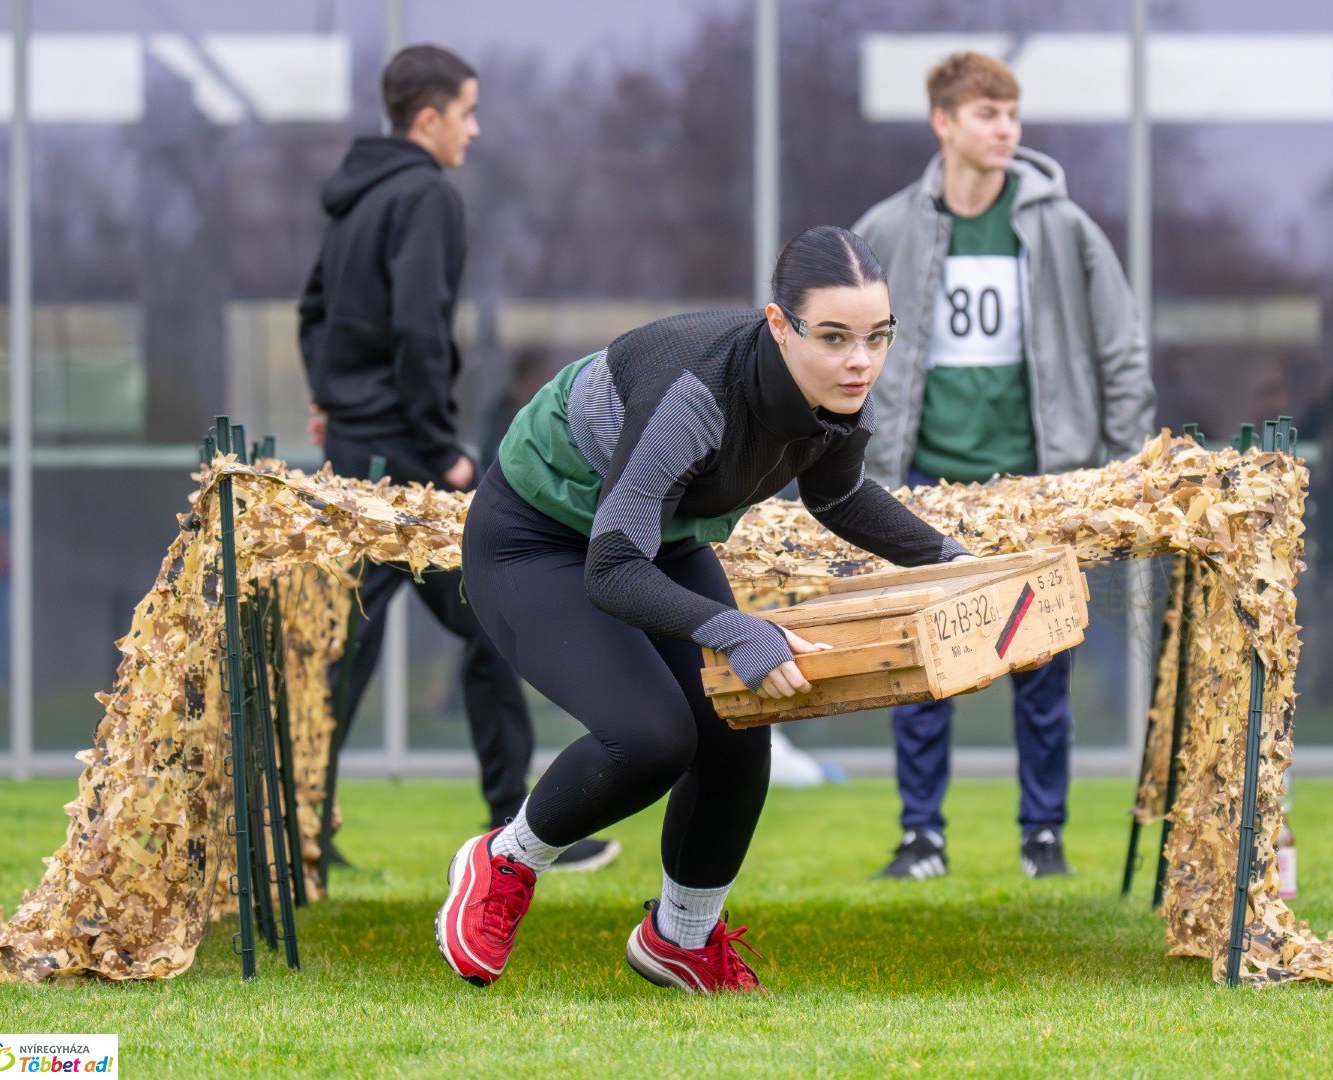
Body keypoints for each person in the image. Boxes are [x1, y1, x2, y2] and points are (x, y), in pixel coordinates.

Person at [435, 226, 972, 994]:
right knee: (651, 737)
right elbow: (613, 569)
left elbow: (840, 493)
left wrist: (952, 561)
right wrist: (736, 629)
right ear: (778, 324)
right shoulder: (697, 393)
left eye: (877, 337)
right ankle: (505, 859)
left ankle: (680, 940)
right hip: (538, 538)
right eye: (834, 337)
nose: (861, 360)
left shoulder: (835, 386)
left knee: (735, 725)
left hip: (657, 533)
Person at [297, 44, 616, 871]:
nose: (476, 130)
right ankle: (524, 834)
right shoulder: (425, 198)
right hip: (404, 462)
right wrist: (444, 452)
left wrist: (330, 398)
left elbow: (311, 312)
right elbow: (418, 330)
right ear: (429, 117)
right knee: (482, 623)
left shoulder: (351, 202)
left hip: (357, 456)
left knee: (353, 645)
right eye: (467, 113)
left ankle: (301, 836)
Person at [854, 52, 1155, 881]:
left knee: (1040, 663)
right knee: (920, 664)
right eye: (988, 113)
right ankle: (922, 837)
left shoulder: (1064, 227)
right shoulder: (886, 230)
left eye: (1013, 114)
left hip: (1036, 482)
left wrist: (1119, 479)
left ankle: (1043, 837)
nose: (1006, 129)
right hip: (918, 483)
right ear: (943, 124)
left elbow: (1121, 354)